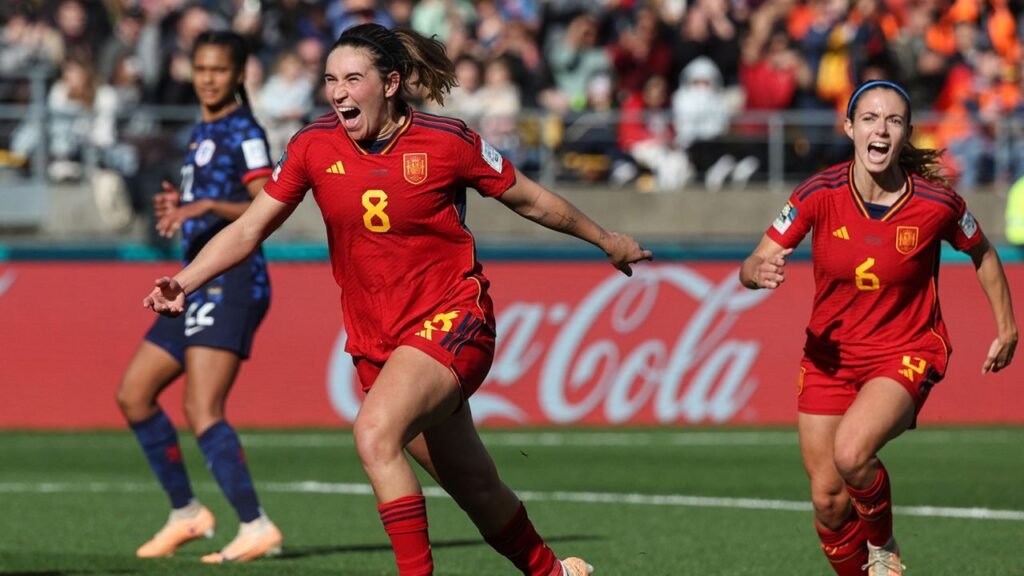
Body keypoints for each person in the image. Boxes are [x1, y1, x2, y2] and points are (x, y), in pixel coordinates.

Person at [143, 23, 651, 576]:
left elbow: (529, 199)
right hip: (377, 340)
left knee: (374, 433)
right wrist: (185, 280)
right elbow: (249, 228)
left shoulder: (446, 141)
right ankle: (555, 573)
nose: (338, 92)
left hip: (454, 319)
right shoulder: (314, 146)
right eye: (331, 79)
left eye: (352, 79)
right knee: (474, 485)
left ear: (389, 83)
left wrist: (606, 239)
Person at [739, 80, 1017, 576]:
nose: (881, 129)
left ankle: (883, 546)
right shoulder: (817, 193)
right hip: (829, 358)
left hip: (905, 350)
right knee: (828, 500)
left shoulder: (937, 204)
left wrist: (1007, 328)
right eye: (869, 118)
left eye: (893, 120)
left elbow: (984, 253)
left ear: (907, 133)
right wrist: (756, 273)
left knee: (851, 453)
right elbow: (755, 259)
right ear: (849, 128)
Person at [116, 31, 282, 564]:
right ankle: (187, 512)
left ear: (238, 75)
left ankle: (255, 525)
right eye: (201, 68)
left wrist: (206, 205)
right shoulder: (203, 129)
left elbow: (267, 203)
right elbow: (209, 202)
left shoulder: (244, 130)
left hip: (231, 281)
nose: (208, 78)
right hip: (192, 280)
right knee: (134, 394)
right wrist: (181, 205)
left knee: (202, 408)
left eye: (219, 70)